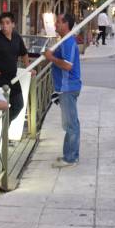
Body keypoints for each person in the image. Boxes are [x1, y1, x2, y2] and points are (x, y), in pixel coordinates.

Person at [0, 12, 33, 123]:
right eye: (2, 23)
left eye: (7, 23)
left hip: (13, 79)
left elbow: (24, 53)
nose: (4, 26)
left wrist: (28, 67)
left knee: (19, 105)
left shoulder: (17, 37)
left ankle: (4, 127)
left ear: (13, 24)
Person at [43, 13, 82, 168]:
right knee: (70, 124)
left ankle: (71, 158)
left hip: (68, 88)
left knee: (71, 124)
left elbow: (67, 65)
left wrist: (50, 58)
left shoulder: (68, 42)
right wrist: (49, 54)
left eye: (58, 22)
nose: (56, 25)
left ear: (66, 24)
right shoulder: (63, 41)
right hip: (65, 88)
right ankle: (69, 154)